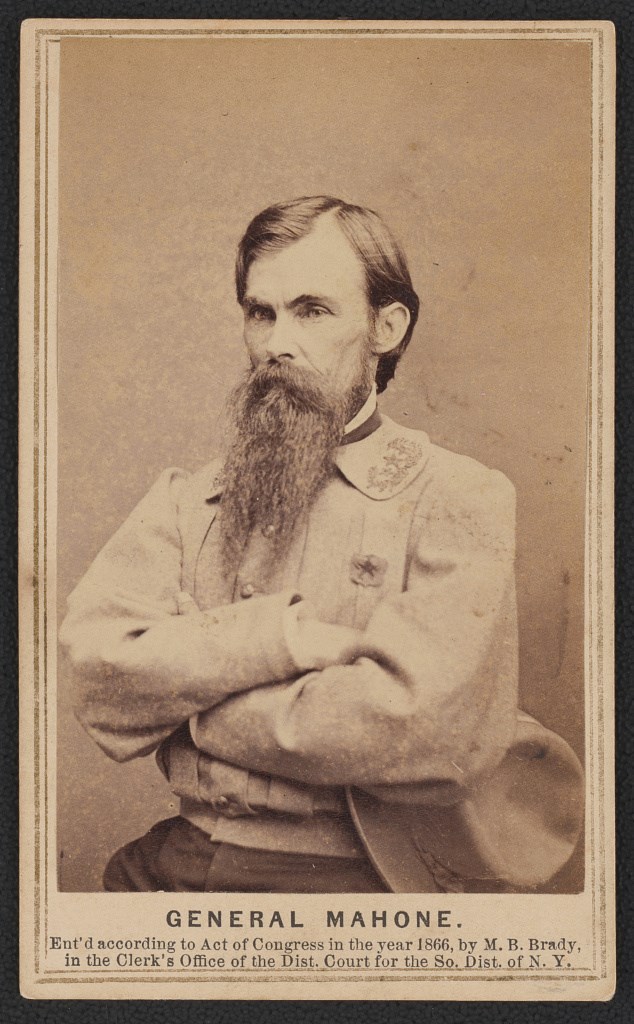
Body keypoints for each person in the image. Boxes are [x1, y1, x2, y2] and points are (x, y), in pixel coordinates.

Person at [60, 195, 583, 894]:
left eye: (312, 310)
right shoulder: (187, 499)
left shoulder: (457, 497)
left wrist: (190, 700)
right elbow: (98, 680)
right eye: (260, 311)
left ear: (385, 328)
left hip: (353, 883)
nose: (278, 341)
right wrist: (281, 644)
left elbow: (429, 734)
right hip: (173, 865)